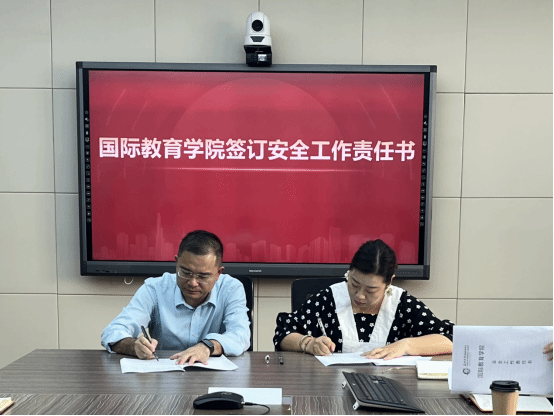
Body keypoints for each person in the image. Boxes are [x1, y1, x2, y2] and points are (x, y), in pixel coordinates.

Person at [274, 239, 454, 359]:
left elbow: (450, 339)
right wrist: (308, 343)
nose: (360, 295)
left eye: (371, 290)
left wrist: (406, 345)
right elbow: (283, 333)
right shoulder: (329, 299)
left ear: (389, 282)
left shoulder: (402, 305)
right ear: (349, 272)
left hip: (389, 392)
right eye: (354, 283)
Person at [101, 230, 250, 364]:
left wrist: (207, 346)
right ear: (176, 262)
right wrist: (134, 346)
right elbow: (112, 332)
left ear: (218, 273)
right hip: (164, 377)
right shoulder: (155, 288)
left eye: (203, 276)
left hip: (215, 378)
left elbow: (241, 335)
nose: (192, 282)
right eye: (185, 272)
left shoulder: (231, 289)